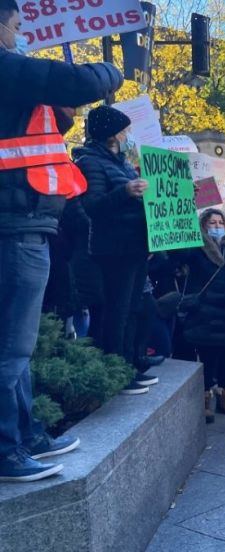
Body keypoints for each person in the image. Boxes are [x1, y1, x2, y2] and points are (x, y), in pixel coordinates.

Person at [0, 0, 123, 481]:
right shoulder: (6, 66)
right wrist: (110, 71)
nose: (19, 33)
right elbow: (80, 82)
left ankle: (27, 435)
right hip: (15, 225)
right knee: (10, 349)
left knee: (18, 346)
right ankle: (7, 450)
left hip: (23, 222)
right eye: (14, 24)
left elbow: (42, 130)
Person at [76, 105, 161, 394]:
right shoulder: (90, 162)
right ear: (112, 133)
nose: (128, 135)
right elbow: (92, 206)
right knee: (118, 311)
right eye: (124, 130)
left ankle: (129, 364)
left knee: (134, 308)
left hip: (135, 246)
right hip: (114, 250)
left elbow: (141, 200)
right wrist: (124, 192)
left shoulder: (122, 162)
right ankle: (117, 371)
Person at [171, 209, 225, 424]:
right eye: (211, 223)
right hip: (207, 312)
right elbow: (179, 257)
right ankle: (205, 398)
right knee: (209, 355)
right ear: (203, 226)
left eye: (220, 222)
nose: (216, 226)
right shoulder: (196, 249)